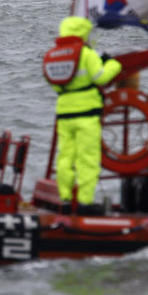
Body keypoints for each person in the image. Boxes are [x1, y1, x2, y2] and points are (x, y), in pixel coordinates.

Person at [44, 16, 122, 212]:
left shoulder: (54, 55)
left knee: (65, 158)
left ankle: (65, 199)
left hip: (64, 113)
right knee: (87, 159)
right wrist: (113, 64)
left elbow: (55, 84)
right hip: (86, 114)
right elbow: (100, 77)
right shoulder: (86, 53)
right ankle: (85, 202)